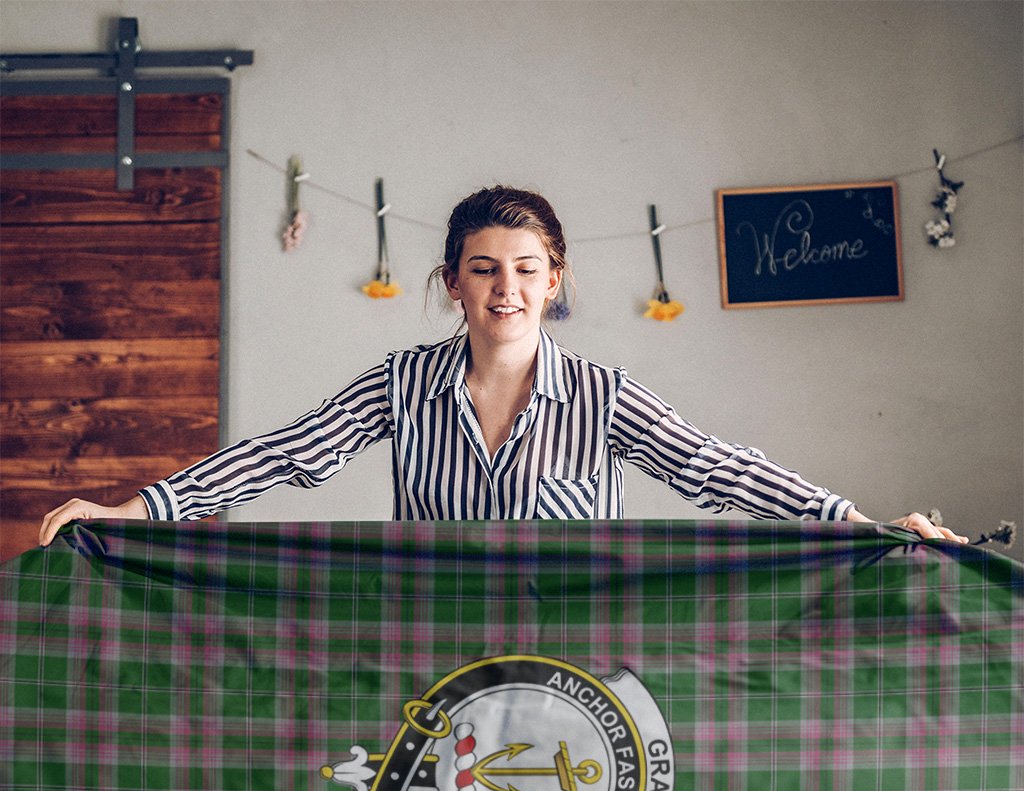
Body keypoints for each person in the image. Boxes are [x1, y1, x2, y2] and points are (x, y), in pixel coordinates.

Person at [39, 186, 967, 547]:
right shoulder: (401, 382)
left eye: (526, 271)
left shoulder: (604, 397)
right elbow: (285, 455)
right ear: (453, 283)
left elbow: (718, 468)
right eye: (484, 269)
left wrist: (859, 522)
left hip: (577, 664)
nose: (506, 289)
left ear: (555, 281)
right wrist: (137, 510)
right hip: (430, 658)